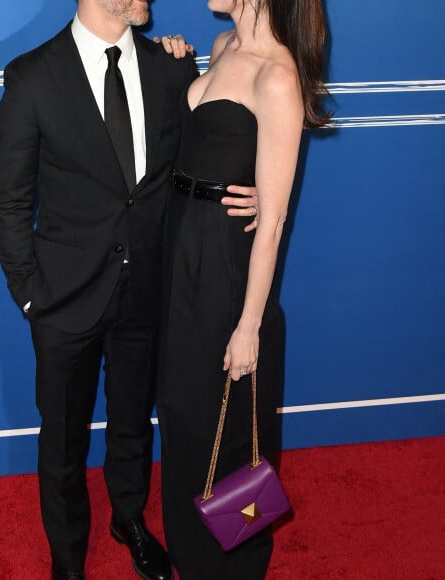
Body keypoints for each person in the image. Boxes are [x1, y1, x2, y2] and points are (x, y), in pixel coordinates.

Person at [0, 1, 258, 579]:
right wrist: (30, 293)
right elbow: (12, 198)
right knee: (61, 442)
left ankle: (129, 518)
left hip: (147, 290)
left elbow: (206, 157)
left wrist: (260, 191)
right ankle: (68, 561)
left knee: (133, 421)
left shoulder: (171, 69)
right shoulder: (33, 75)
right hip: (63, 299)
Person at [156, 0, 331, 578]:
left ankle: (230, 567)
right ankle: (188, 557)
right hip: (181, 256)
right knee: (182, 418)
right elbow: (213, 143)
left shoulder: (277, 75)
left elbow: (273, 222)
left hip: (225, 275)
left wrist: (250, 324)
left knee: (225, 433)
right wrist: (179, 61)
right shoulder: (226, 46)